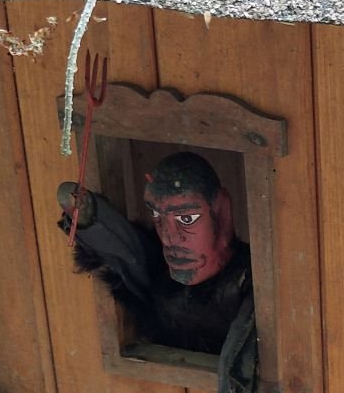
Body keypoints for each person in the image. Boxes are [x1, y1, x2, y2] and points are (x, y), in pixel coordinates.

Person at [57, 151, 251, 355]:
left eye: (186, 219)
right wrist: (91, 219)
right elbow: (125, 249)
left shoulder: (248, 280)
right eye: (157, 215)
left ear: (221, 213)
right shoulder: (158, 269)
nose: (169, 237)